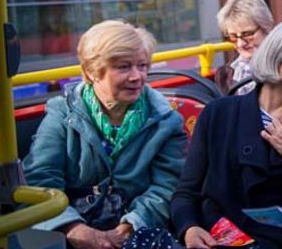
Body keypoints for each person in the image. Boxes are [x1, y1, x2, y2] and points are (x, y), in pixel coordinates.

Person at [172, 20, 282, 248]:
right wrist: (189, 228)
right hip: (215, 240)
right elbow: (186, 193)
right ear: (276, 55)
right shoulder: (218, 114)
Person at [24, 20, 187, 248]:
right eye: (123, 67)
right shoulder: (61, 114)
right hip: (71, 230)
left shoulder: (167, 121)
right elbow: (41, 179)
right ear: (92, 72)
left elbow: (168, 185)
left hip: (138, 231)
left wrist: (131, 225)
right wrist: (74, 229)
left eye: (142, 66)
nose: (137, 76)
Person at [215, 0, 274, 95]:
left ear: (266, 27)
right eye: (233, 36)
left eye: (247, 34)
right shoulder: (224, 74)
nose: (240, 43)